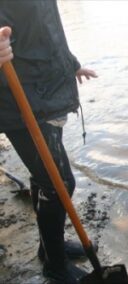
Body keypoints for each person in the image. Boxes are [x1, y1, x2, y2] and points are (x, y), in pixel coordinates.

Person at [0, 1, 98, 283]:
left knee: (46, 179)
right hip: (21, 102)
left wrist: (71, 64)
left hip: (46, 93)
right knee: (59, 184)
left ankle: (49, 249)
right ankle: (55, 267)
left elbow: (45, 31)